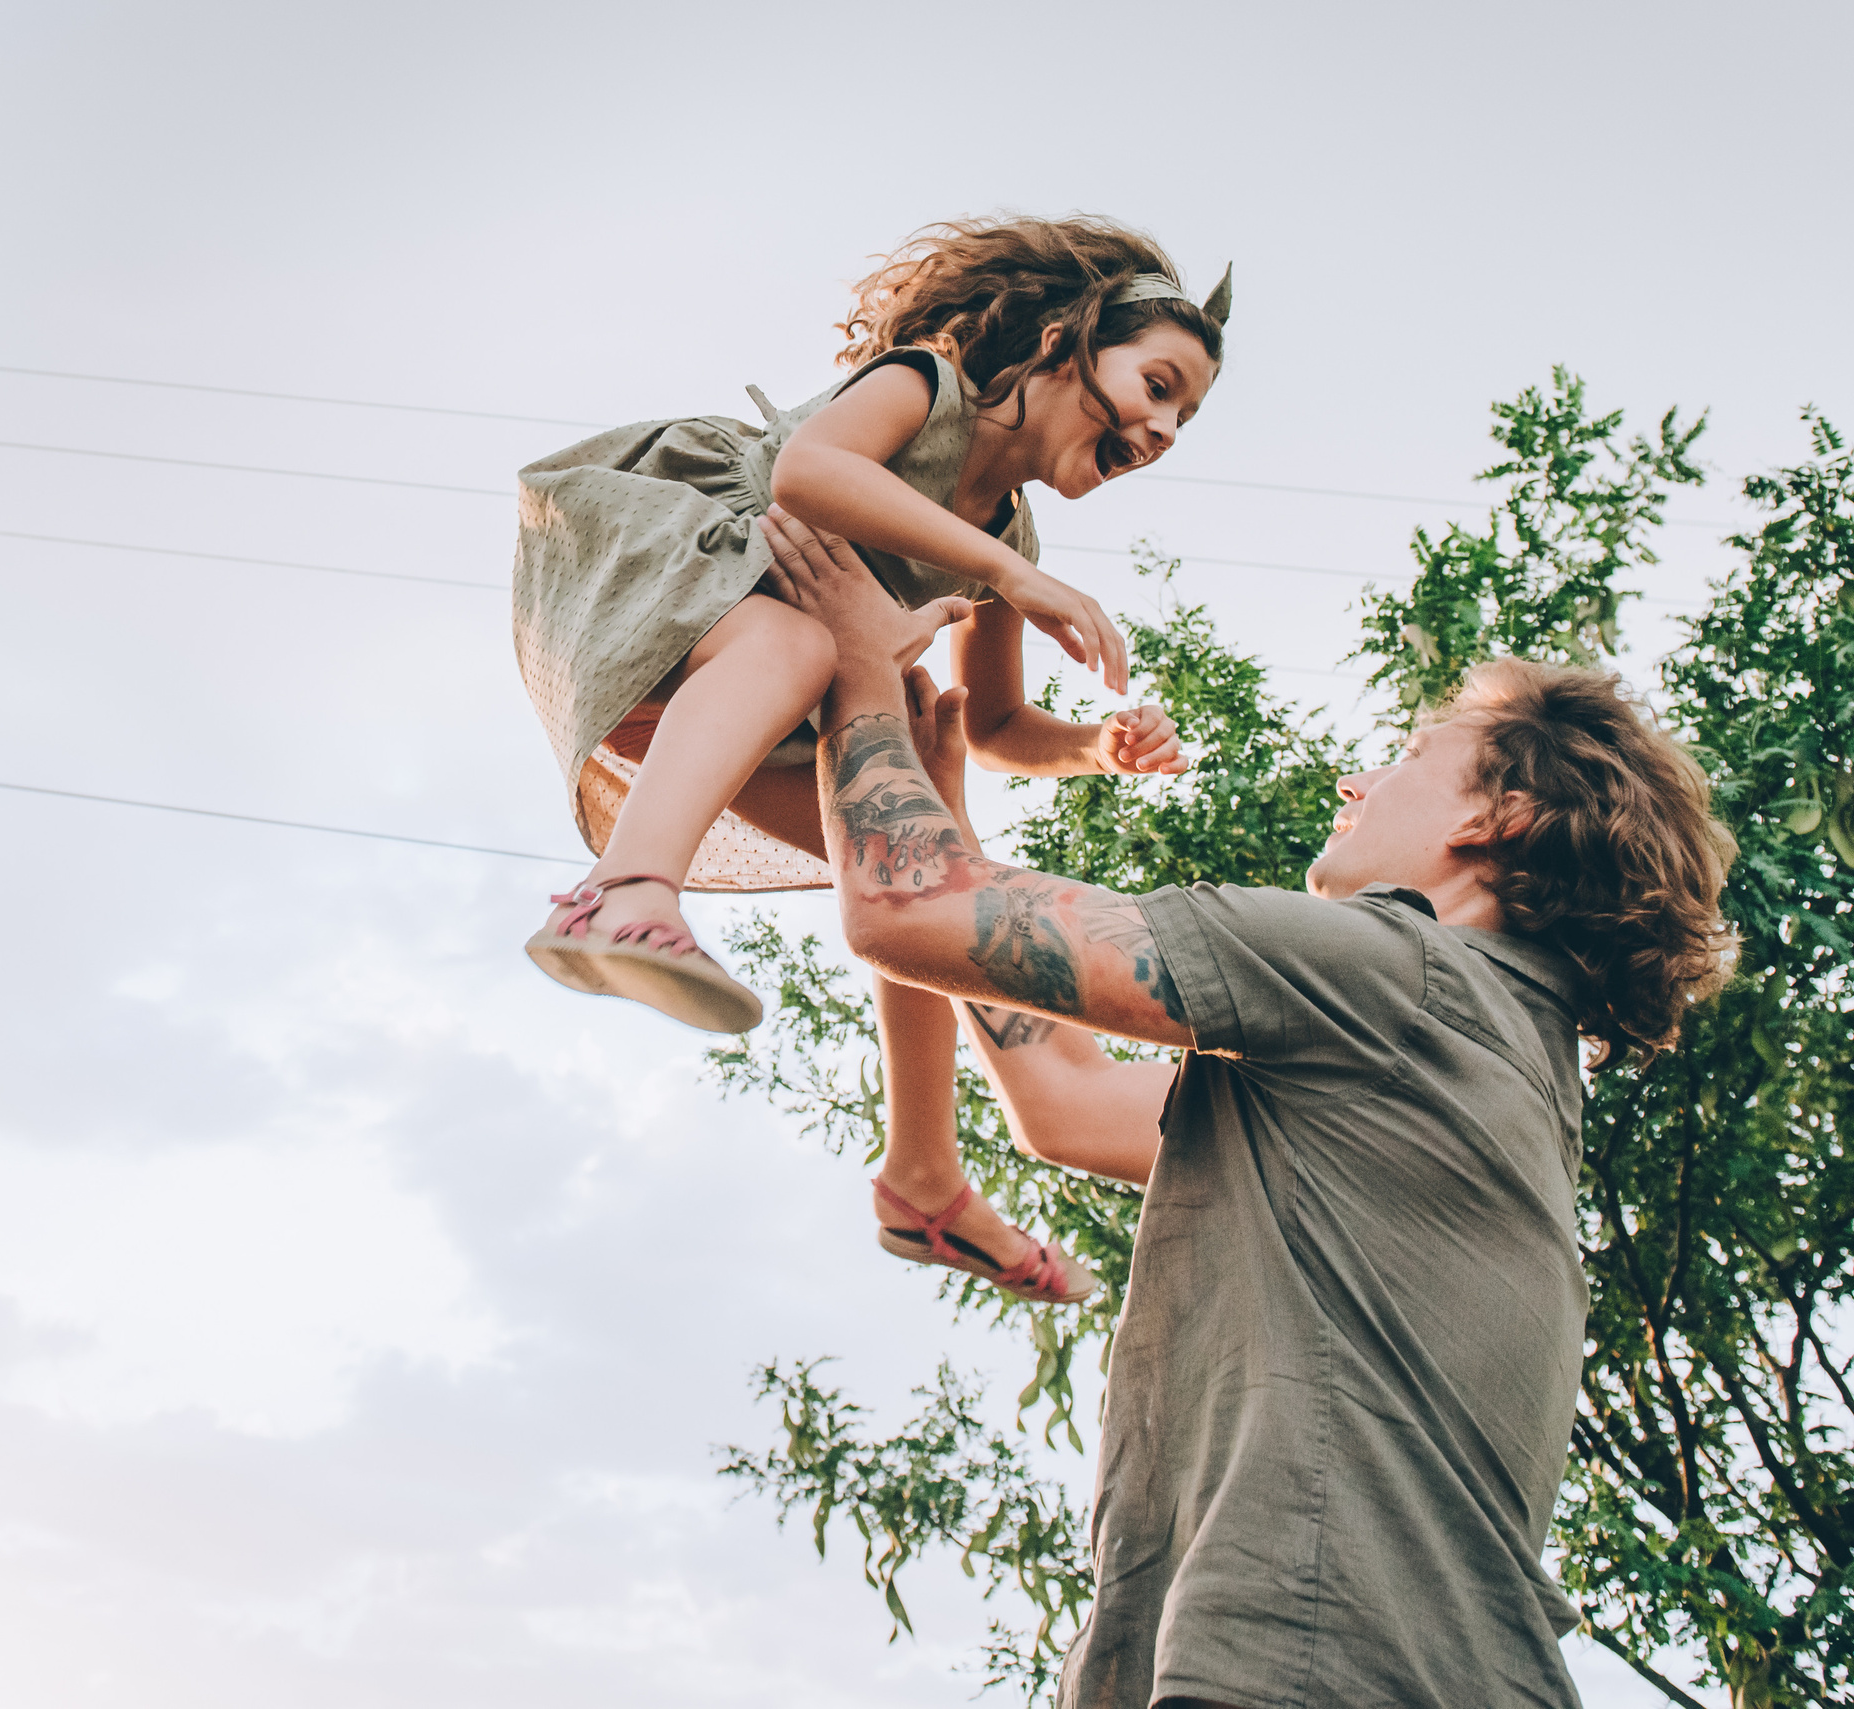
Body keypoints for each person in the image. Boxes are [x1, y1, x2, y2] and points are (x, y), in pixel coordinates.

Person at [762, 507, 1738, 1708]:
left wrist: (861, 678)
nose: (1360, 776)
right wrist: (934, 788)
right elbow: (1061, 1098)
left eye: (1411, 754)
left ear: (1497, 818)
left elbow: (903, 912)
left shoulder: (1401, 969)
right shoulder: (1475, 1054)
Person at [512, 215, 1228, 1033]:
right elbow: (808, 473)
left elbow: (993, 726)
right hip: (659, 580)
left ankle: (921, 1159)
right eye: (1160, 386)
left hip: (729, 709)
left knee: (918, 864)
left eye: (1186, 419)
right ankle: (621, 894)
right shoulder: (930, 387)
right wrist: (1015, 576)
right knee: (797, 643)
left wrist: (1093, 747)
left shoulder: (1007, 535)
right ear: (1064, 346)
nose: (1167, 431)